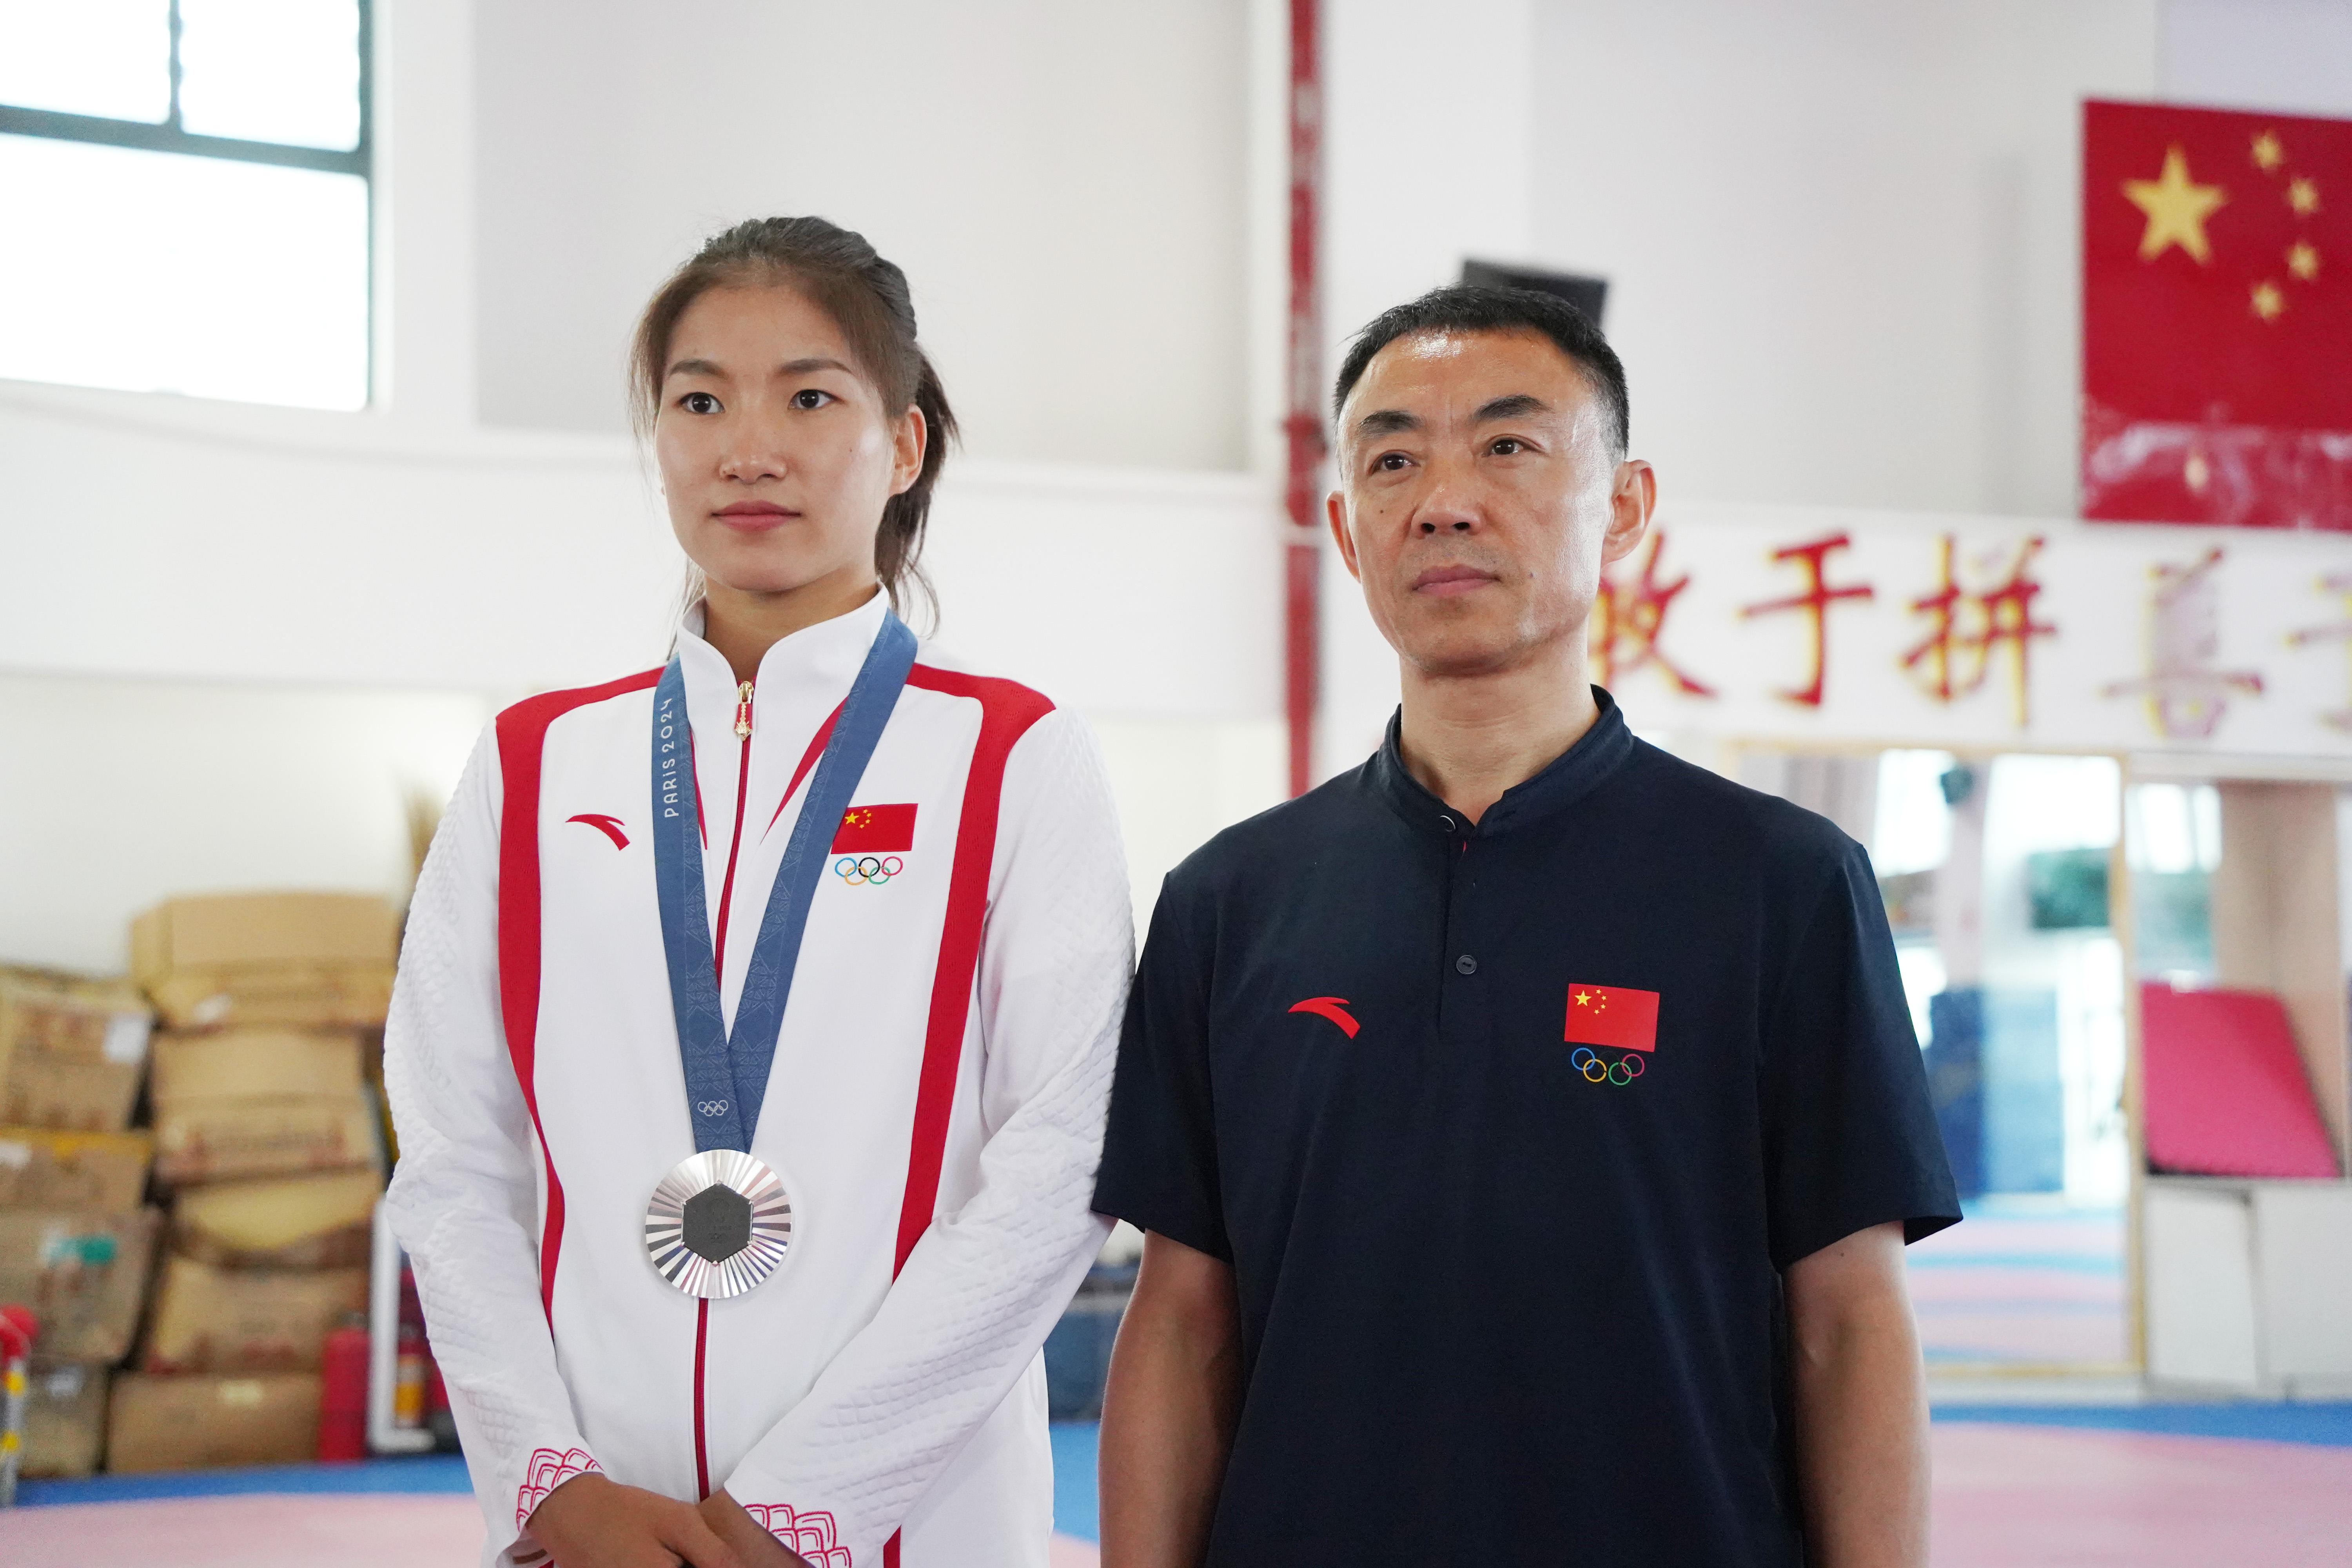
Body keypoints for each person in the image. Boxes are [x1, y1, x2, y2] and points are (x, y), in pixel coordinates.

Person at [1092, 284, 1960, 1567]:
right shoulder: (1229, 900)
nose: (1443, 501)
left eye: (1507, 445)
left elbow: (1850, 1323)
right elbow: (1180, 1322)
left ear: (1625, 504)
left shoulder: (1783, 884)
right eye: (1394, 461)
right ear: (1346, 530)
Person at [385, 216, 1131, 1568]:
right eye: (700, 401)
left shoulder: (1012, 755)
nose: (749, 448)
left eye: (810, 397)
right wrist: (550, 1484)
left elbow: (1061, 1165)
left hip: (913, 1526)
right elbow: (452, 1158)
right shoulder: (533, 763)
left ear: (903, 445)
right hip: (597, 1527)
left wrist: (805, 1507)